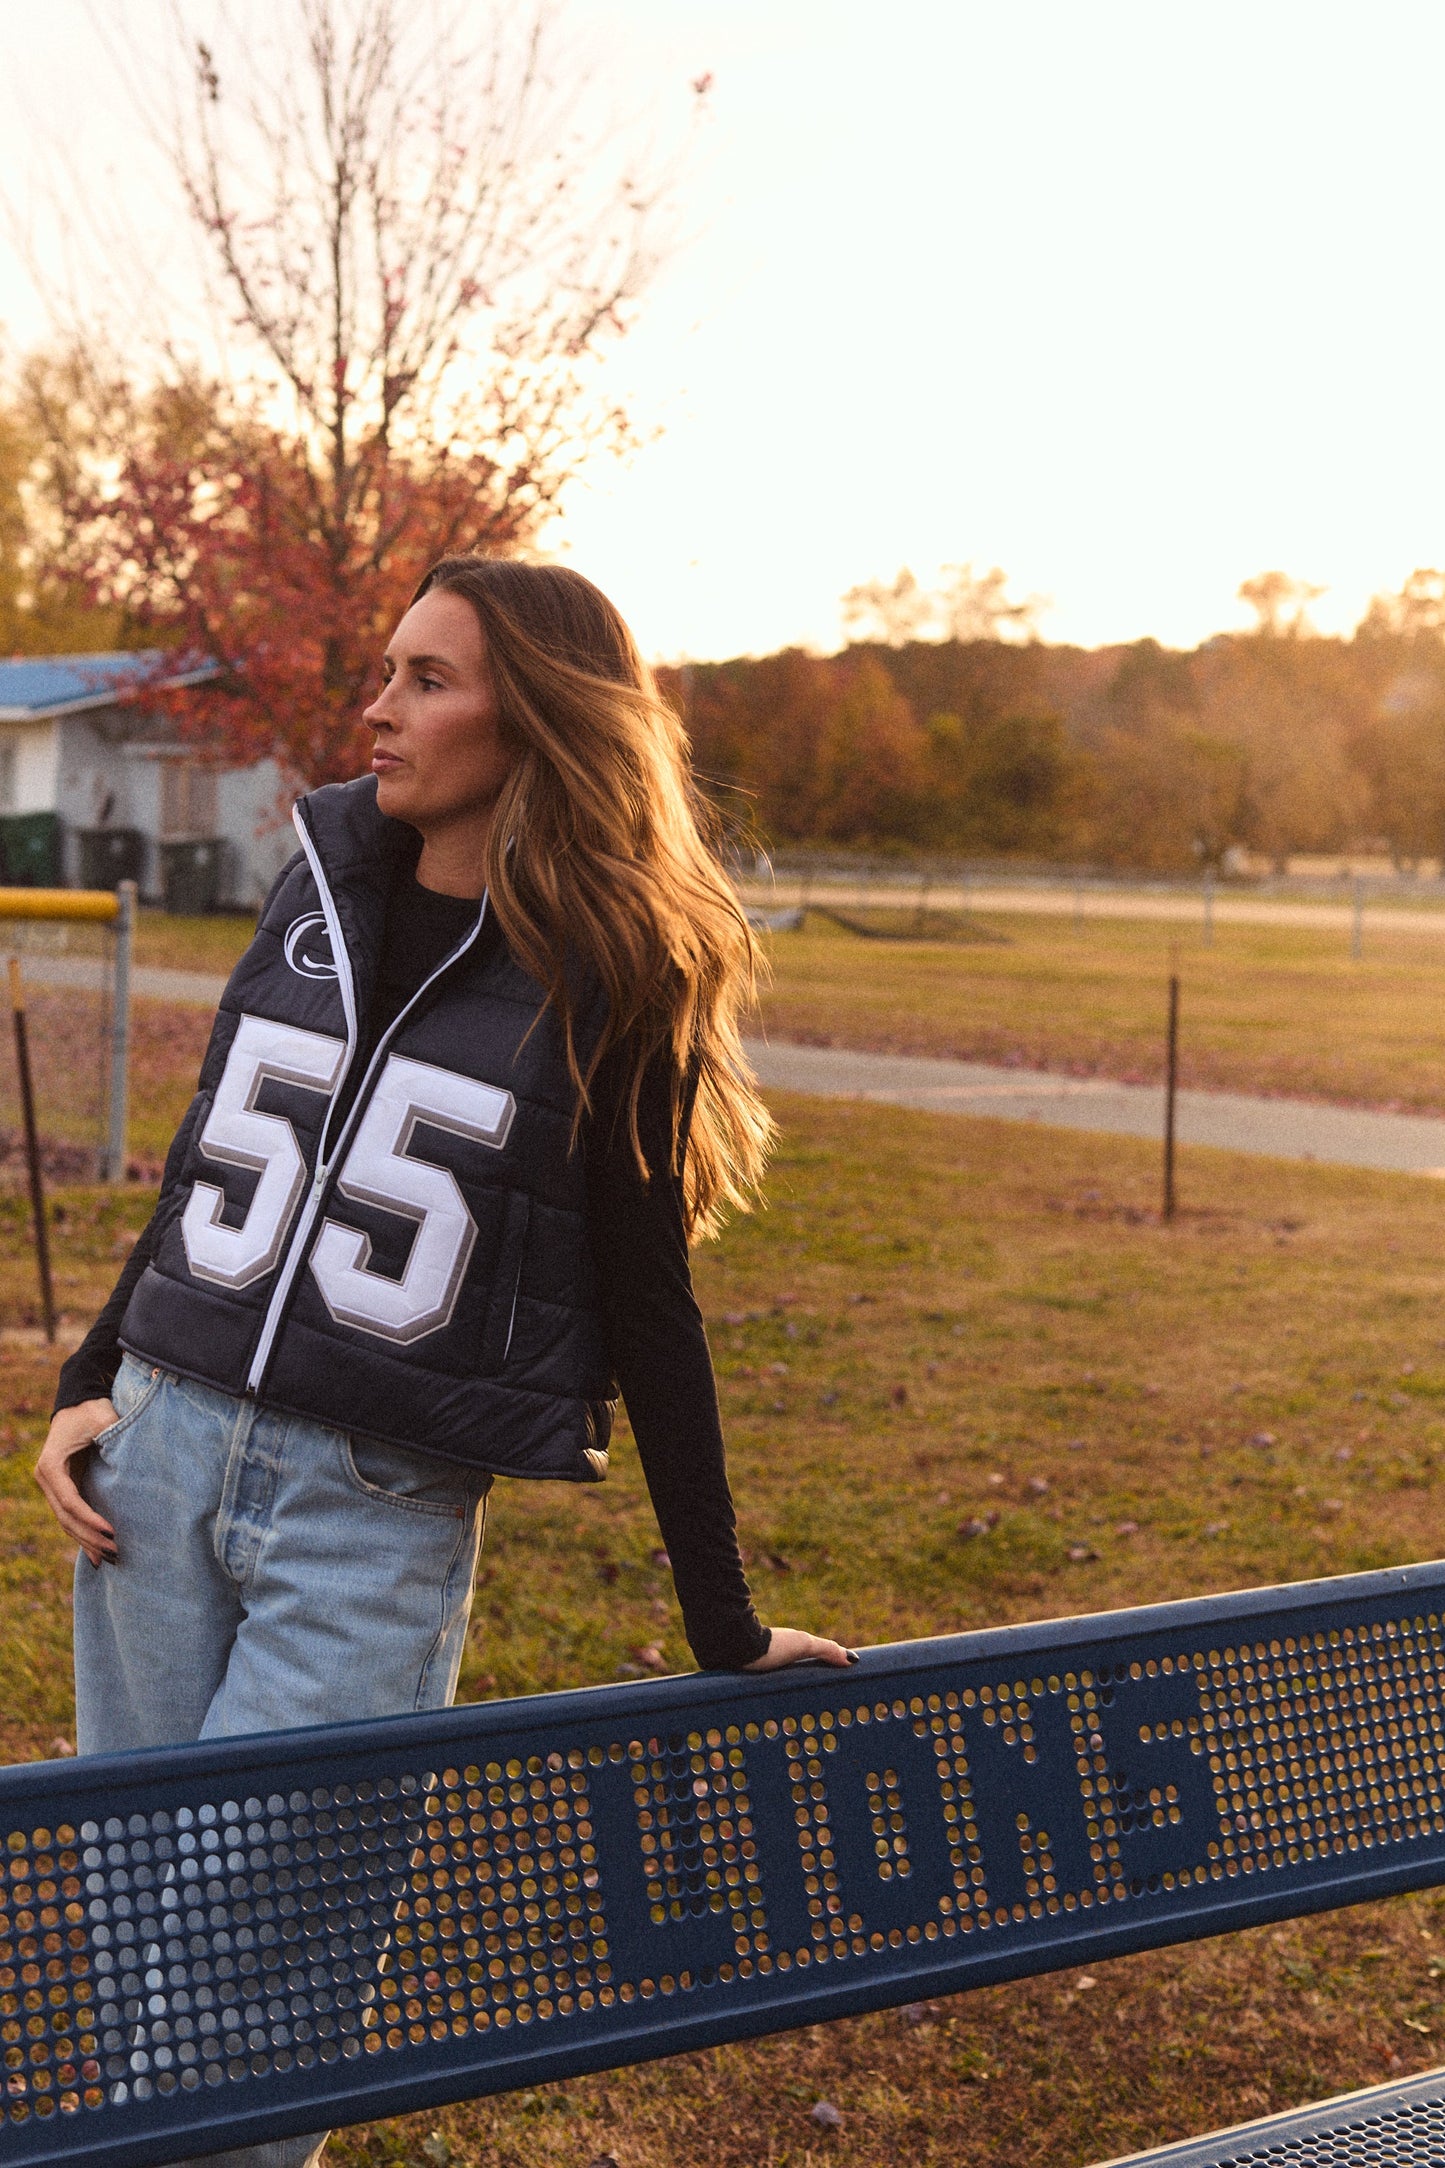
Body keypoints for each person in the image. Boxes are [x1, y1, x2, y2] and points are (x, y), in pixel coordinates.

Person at [34, 558, 851, 2168]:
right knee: (134, 1963)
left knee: (230, 2035)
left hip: (367, 1519)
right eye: (387, 669)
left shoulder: (609, 972)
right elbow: (216, 1145)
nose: (377, 707)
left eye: (426, 678)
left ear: (530, 715)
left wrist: (719, 1618)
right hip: (158, 1464)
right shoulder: (318, 879)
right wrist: (93, 1373)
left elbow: (646, 1309)